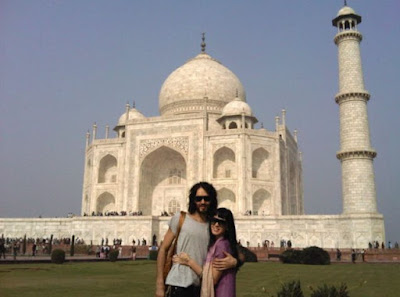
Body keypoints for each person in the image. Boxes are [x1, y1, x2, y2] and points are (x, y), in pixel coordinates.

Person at [155, 182, 238, 297]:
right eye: (198, 199)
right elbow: (163, 249)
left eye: (206, 198)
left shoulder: (213, 226)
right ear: (193, 200)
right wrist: (160, 284)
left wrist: (235, 262)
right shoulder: (180, 218)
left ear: (212, 200)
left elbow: (239, 250)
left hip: (202, 286)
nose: (202, 202)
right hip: (179, 284)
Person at [173, 208, 238, 297]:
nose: (216, 224)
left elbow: (212, 279)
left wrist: (189, 262)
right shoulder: (216, 243)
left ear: (227, 226)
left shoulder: (222, 246)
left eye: (221, 222)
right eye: (214, 221)